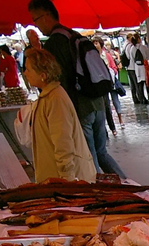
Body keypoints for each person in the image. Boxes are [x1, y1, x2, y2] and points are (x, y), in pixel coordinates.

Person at [28, 0, 125, 178]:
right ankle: (130, 186)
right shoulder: (73, 35)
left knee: (89, 157)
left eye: (36, 20)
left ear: (47, 15)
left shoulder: (54, 44)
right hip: (97, 104)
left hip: (80, 108)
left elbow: (54, 81)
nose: (36, 25)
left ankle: (97, 196)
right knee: (102, 152)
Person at [22, 48, 96, 183]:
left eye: (28, 69)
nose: (25, 73)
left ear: (43, 74)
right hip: (55, 179)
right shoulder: (49, 96)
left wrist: (67, 179)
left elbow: (63, 144)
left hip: (66, 180)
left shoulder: (55, 99)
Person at [93, 35, 124, 135]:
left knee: (113, 103)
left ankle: (116, 125)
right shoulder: (92, 57)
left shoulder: (107, 55)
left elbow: (114, 68)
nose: (95, 45)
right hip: (100, 85)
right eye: (93, 43)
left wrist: (110, 72)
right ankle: (105, 130)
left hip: (110, 83)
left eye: (96, 43)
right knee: (103, 107)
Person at [123, 33, 142, 104]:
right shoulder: (130, 46)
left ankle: (135, 98)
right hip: (132, 67)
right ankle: (139, 98)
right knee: (136, 84)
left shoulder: (125, 45)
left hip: (128, 67)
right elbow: (129, 57)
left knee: (132, 85)